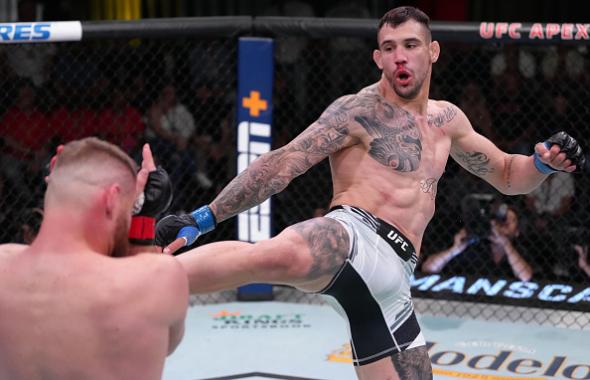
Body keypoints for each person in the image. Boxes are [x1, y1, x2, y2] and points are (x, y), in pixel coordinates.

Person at [156, 7, 585, 380]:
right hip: (355, 235)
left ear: (432, 52)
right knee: (276, 254)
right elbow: (283, 163)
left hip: (396, 280)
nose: (401, 56)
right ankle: (144, 278)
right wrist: (203, 218)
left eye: (411, 45)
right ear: (378, 57)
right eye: (390, 47)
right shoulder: (357, 111)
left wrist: (543, 164)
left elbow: (509, 174)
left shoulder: (448, 121)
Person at [0, 137, 188, 380]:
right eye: (128, 209)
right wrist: (143, 217)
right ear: (111, 199)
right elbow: (166, 346)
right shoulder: (159, 277)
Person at [421, 204, 534, 281]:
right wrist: (454, 250)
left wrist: (505, 244)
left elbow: (526, 277)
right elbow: (428, 268)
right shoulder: (473, 242)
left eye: (512, 220)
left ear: (517, 232)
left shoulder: (519, 251)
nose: (506, 222)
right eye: (503, 218)